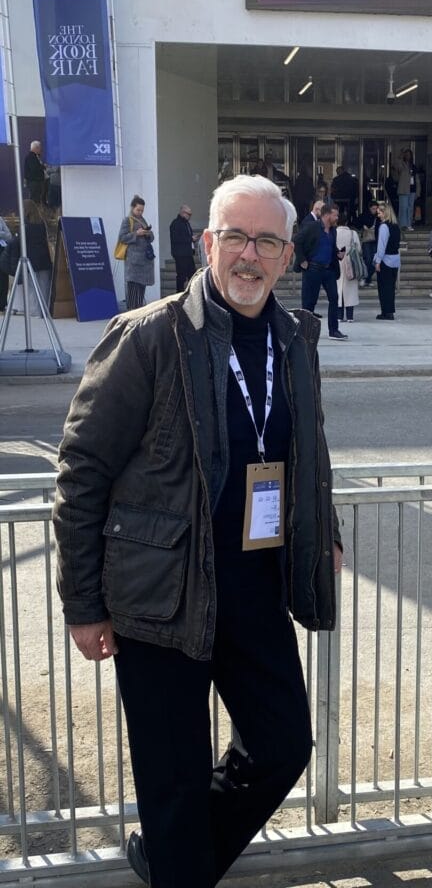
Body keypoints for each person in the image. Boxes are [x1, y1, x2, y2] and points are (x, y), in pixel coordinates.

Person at [53, 173, 343, 888]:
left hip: (253, 588)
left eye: (267, 241)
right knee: (173, 779)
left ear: (286, 254)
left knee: (281, 745)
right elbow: (82, 470)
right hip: (159, 595)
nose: (250, 256)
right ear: (208, 244)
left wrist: (324, 530)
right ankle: (179, 859)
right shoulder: (148, 338)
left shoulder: (292, 336)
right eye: (237, 238)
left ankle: (172, 859)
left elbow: (309, 445)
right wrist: (84, 603)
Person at [293, 202, 348, 340]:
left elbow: (330, 246)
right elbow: (297, 241)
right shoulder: (312, 227)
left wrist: (337, 253)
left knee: (334, 298)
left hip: (328, 269)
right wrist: (302, 260)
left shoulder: (333, 231)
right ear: (327, 215)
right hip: (313, 269)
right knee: (309, 302)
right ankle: (305, 332)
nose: (337, 218)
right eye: (335, 215)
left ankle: (333, 330)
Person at [118, 195, 155, 311]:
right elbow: (122, 237)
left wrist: (148, 234)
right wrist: (136, 234)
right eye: (138, 210)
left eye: (142, 210)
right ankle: (131, 318)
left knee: (140, 294)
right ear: (132, 208)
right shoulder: (127, 220)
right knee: (133, 295)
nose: (140, 212)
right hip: (134, 264)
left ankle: (137, 316)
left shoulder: (142, 220)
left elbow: (151, 237)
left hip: (143, 263)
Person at [373, 201, 401, 320]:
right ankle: (390, 310)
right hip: (395, 259)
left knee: (383, 287)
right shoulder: (395, 226)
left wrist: (378, 261)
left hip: (385, 260)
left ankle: (386, 311)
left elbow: (381, 246)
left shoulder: (384, 227)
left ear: (385, 213)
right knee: (390, 287)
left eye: (379, 212)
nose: (378, 215)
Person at [335, 213, 362, 322]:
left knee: (338, 288)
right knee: (350, 289)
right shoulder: (353, 233)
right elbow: (359, 249)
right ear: (347, 222)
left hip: (337, 261)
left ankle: (339, 316)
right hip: (351, 262)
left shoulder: (334, 232)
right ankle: (350, 316)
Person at [169, 204, 198, 292]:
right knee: (181, 276)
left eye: (190, 215)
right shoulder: (175, 223)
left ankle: (192, 294)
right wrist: (190, 239)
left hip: (188, 253)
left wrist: (192, 239)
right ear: (182, 212)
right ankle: (179, 295)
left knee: (192, 275)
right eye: (188, 214)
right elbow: (176, 238)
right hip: (180, 254)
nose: (189, 216)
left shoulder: (186, 224)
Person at [355, 201, 379, 286]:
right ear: (369, 208)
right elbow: (356, 223)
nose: (375, 210)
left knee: (374, 260)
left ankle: (367, 279)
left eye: (376, 209)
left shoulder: (378, 217)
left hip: (376, 240)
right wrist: (363, 226)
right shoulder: (364, 215)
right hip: (367, 240)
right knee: (368, 259)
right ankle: (365, 278)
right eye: (373, 209)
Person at [396, 149, 419, 231]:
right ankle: (403, 224)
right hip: (403, 189)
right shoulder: (401, 164)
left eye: (409, 154)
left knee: (410, 207)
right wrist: (400, 156)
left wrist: (418, 191)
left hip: (412, 189)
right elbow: (398, 167)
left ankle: (409, 224)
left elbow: (417, 179)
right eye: (407, 154)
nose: (408, 156)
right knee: (403, 207)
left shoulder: (413, 166)